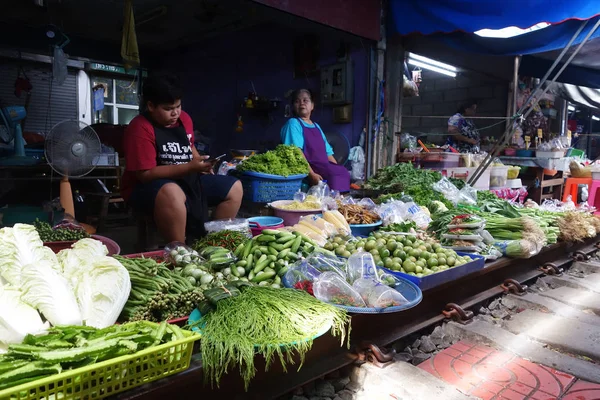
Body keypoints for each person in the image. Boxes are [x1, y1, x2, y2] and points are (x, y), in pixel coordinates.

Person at [122, 74, 242, 243]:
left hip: (186, 179)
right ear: (150, 106)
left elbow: (188, 144)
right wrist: (190, 168)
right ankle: (181, 252)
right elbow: (145, 174)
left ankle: (212, 244)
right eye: (168, 108)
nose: (175, 113)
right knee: (172, 192)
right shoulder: (140, 128)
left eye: (178, 106)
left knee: (234, 187)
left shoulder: (184, 118)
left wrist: (201, 161)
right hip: (145, 188)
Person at [280, 89, 350, 192]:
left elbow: (328, 153)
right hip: (308, 171)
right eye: (297, 101)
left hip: (322, 168)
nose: (301, 103)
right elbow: (296, 153)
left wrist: (338, 169)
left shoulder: (316, 126)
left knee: (343, 172)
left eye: (305, 100)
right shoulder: (293, 124)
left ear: (312, 105)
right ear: (293, 106)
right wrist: (311, 175)